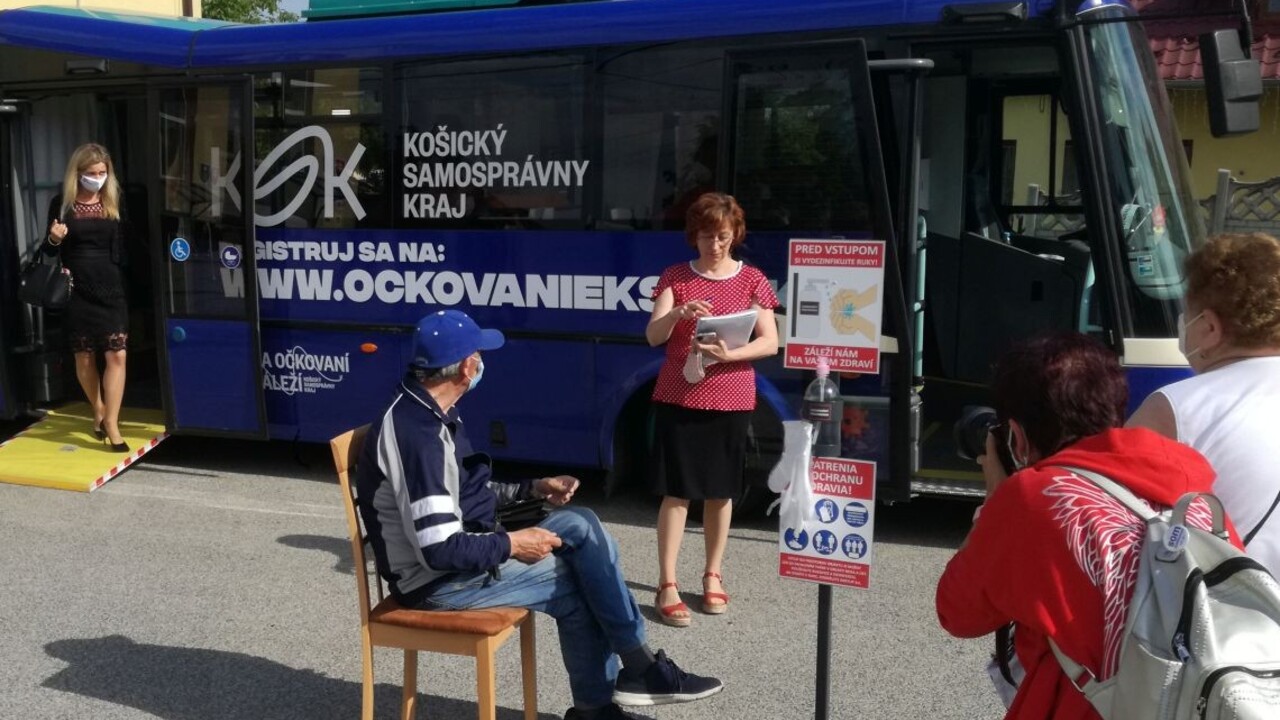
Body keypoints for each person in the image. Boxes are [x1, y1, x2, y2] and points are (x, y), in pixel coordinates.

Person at [356, 310, 723, 720]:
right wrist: (514, 543)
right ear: (465, 366)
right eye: (478, 354)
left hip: (458, 553)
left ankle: (638, 669)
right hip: (436, 583)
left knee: (581, 523)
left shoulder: (430, 409)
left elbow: (465, 495)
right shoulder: (419, 437)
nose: (481, 362)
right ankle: (605, 702)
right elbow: (439, 550)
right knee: (573, 581)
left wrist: (532, 488)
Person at [935, 332, 1238, 720]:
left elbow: (957, 612)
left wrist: (994, 503)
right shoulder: (1188, 479)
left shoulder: (1031, 498)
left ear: (1018, 437)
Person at [645, 192, 779, 626]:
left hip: (731, 395)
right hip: (680, 393)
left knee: (721, 491)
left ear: (734, 235)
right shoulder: (674, 277)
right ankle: (667, 582)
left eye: (722, 236)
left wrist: (728, 356)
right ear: (694, 236)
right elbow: (653, 336)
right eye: (706, 236)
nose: (715, 245)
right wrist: (679, 313)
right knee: (677, 490)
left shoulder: (753, 280)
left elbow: (769, 341)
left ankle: (712, 575)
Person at [1127, 232, 1280, 576]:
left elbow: (1112, 530)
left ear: (1210, 327)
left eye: (1187, 315)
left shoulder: (1173, 408)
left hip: (1233, 622)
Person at [44, 143, 131, 452]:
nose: (98, 178)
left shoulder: (114, 201)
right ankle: (97, 407)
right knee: (84, 356)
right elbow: (49, 251)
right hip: (77, 287)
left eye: (103, 173)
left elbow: (127, 246)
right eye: (92, 173)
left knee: (116, 354)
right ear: (77, 174)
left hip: (111, 286)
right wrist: (55, 239)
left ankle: (111, 421)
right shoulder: (62, 205)